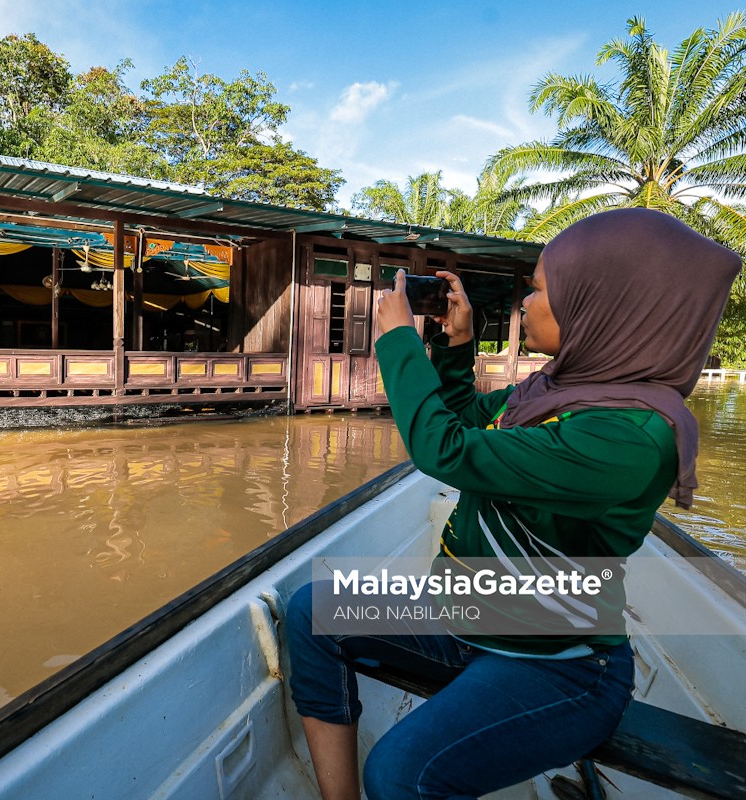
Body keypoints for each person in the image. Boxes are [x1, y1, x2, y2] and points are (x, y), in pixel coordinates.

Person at [283, 208, 741, 800]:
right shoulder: (557, 389)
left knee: (400, 774)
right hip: (472, 610)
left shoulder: (630, 437)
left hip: (559, 662)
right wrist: (456, 348)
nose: (526, 302)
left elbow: (442, 449)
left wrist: (397, 340)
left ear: (601, 305)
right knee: (312, 611)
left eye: (542, 289)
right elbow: (470, 423)